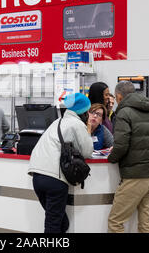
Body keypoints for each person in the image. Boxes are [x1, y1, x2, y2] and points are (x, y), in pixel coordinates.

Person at [107, 81, 149, 233]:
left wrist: (111, 158)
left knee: (115, 222)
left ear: (118, 96)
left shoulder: (123, 113)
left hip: (134, 177)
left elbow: (121, 145)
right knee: (146, 222)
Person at [28, 93, 93, 233]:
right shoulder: (77, 124)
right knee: (53, 224)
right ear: (83, 111)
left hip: (37, 177)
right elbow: (88, 151)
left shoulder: (57, 122)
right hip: (54, 179)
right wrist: (88, 128)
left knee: (60, 222)